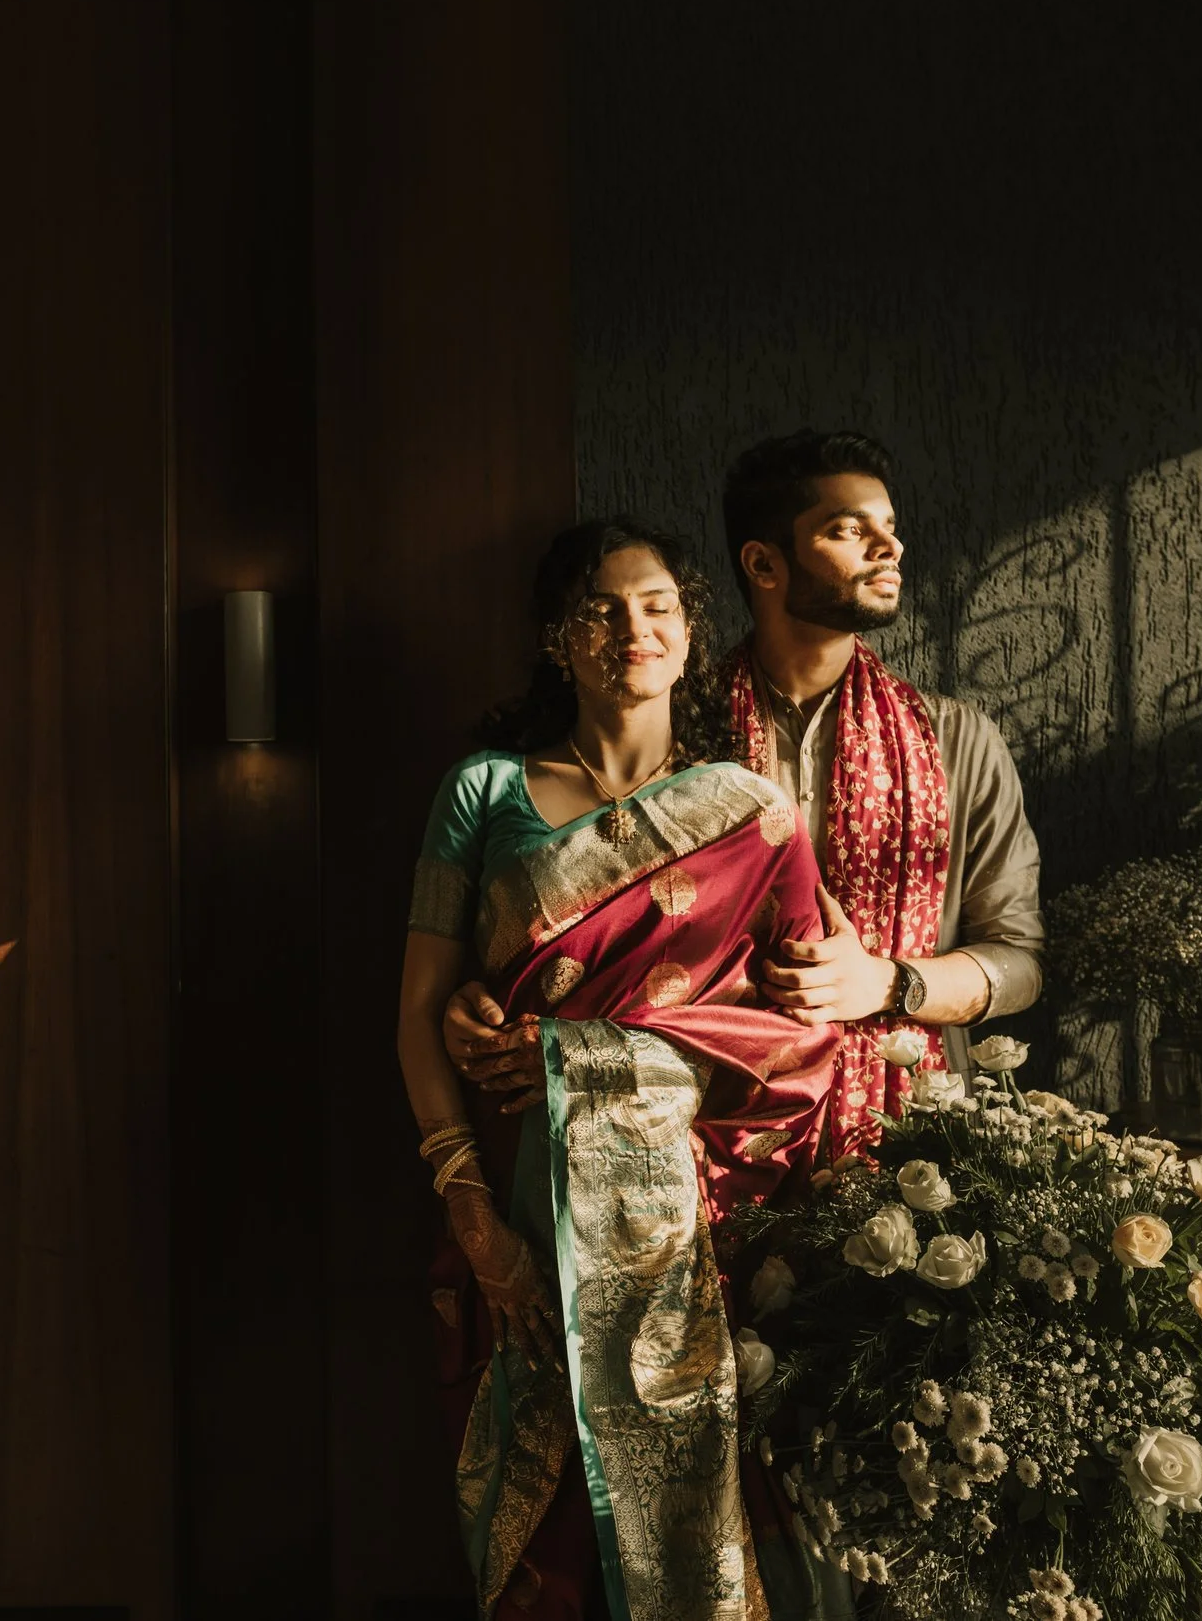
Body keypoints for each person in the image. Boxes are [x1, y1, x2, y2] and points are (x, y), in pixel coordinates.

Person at [399, 520, 841, 1621]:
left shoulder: (751, 811)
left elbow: (803, 1032)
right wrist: (471, 1214)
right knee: (543, 1535)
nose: (631, 627)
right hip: (515, 1200)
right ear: (558, 637)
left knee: (700, 1507)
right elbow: (415, 1016)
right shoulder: (483, 791)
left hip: (688, 1224)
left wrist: (594, 1055)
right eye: (599, 608)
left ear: (690, 632)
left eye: (656, 605)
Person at [448, 429, 1045, 1165]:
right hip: (702, 1143)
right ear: (762, 563)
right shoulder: (676, 739)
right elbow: (600, 942)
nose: (889, 547)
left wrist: (889, 982)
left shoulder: (956, 741)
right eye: (847, 529)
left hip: (908, 1154)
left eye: (889, 527)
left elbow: (1020, 961)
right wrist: (486, 1001)